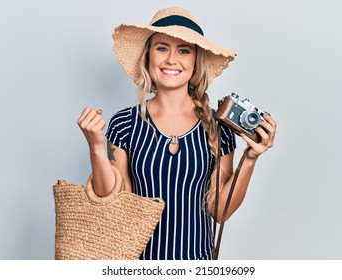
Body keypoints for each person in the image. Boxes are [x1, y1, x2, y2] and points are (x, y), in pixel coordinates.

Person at [77, 7, 277, 260]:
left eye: (184, 50)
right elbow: (114, 202)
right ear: (148, 56)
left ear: (196, 62)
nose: (172, 60)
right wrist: (96, 147)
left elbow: (220, 212)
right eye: (162, 48)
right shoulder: (124, 123)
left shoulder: (218, 128)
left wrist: (251, 158)